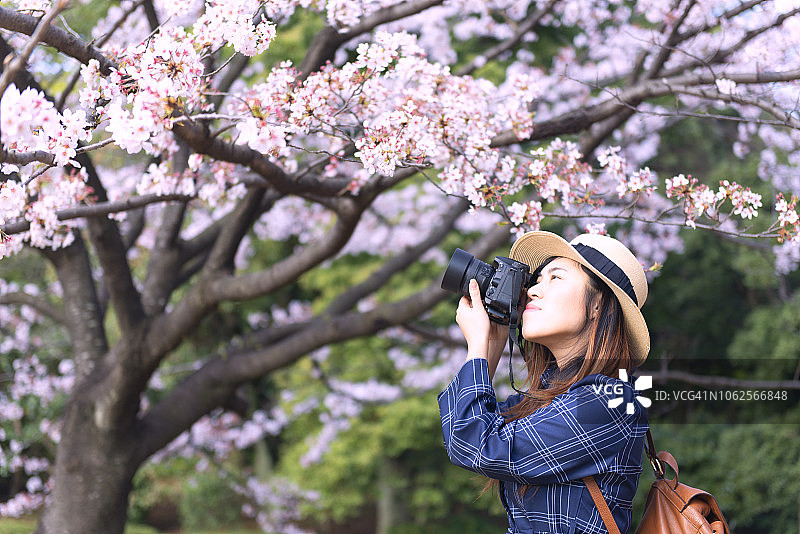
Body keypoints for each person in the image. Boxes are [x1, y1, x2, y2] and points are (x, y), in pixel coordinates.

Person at [438, 230, 650, 534]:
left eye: (556, 278)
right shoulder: (545, 399)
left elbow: (478, 446)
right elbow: (460, 431)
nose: (535, 291)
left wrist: (476, 348)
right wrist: (492, 344)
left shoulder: (608, 402)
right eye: (538, 280)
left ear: (597, 306)